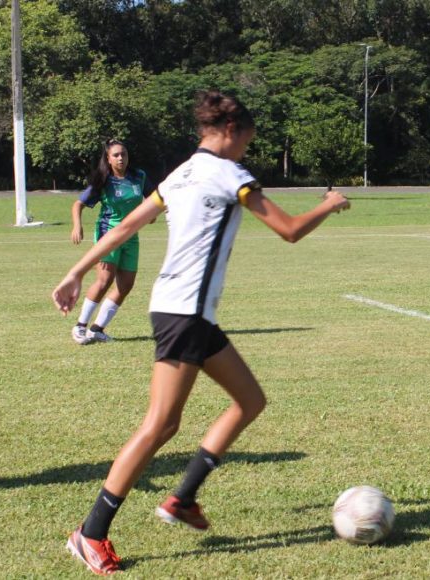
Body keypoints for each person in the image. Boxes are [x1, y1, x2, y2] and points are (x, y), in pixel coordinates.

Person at [52, 90, 350, 576]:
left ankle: (183, 498)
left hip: (185, 313)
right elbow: (290, 229)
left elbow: (124, 227)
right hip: (184, 314)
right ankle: (90, 533)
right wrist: (330, 204)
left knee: (250, 401)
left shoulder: (181, 173)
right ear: (231, 132)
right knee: (160, 425)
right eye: (247, 141)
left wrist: (76, 271)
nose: (246, 152)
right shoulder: (231, 175)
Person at [69, 139, 152, 344]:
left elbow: (154, 198)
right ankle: (80, 326)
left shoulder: (139, 177)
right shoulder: (103, 179)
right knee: (104, 280)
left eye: (123, 154)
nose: (121, 158)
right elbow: (78, 204)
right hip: (108, 234)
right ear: (108, 158)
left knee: (126, 285)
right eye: (116, 155)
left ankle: (97, 330)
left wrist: (152, 212)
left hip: (131, 236)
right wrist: (77, 226)